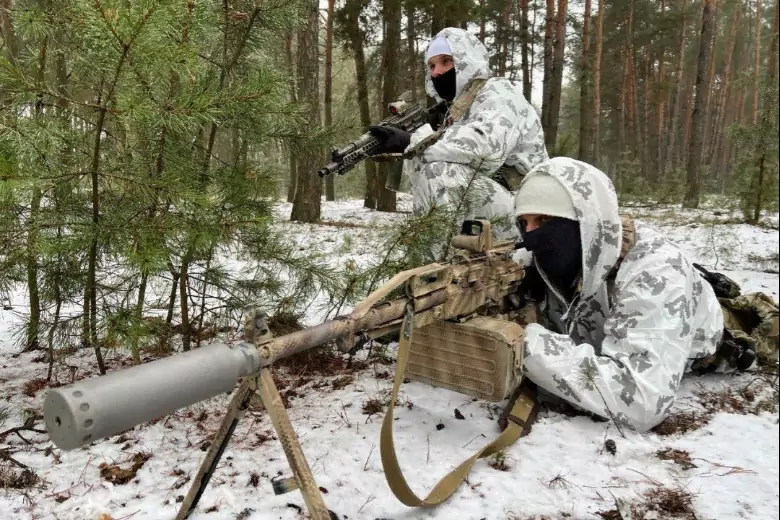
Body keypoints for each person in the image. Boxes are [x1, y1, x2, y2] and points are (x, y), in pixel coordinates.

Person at [512, 156, 725, 433]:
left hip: (709, 339)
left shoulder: (657, 272)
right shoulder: (548, 254)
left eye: (545, 219)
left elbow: (640, 402)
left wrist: (522, 342)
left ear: (587, 221)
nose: (530, 237)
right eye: (523, 222)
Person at [369, 27, 549, 242]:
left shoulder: (500, 92)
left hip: (530, 215)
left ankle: (432, 269)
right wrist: (408, 148)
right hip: (499, 207)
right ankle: (443, 255)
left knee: (440, 173)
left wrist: (411, 141)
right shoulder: (458, 109)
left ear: (468, 60)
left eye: (446, 61)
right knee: (431, 167)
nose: (436, 72)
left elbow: (485, 149)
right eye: (432, 65)